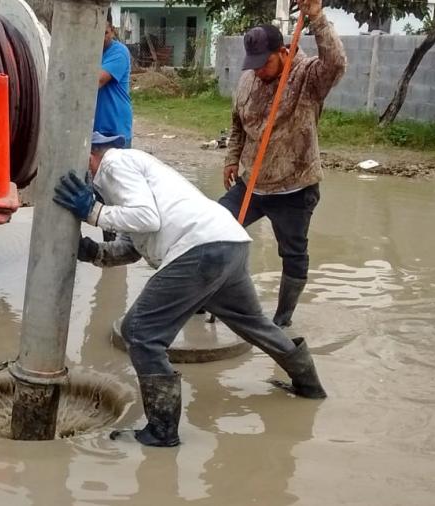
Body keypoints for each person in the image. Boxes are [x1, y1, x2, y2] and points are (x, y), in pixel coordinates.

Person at [52, 132, 327, 447]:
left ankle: (162, 431)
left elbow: (146, 218)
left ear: (90, 156)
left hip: (198, 247)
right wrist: (90, 250)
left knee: (140, 331)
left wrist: (92, 212)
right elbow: (134, 245)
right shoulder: (138, 174)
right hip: (228, 242)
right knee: (252, 323)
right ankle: (309, 385)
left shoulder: (114, 165)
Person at [220, 0, 345, 327]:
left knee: (293, 254)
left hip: (294, 187)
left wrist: (317, 18)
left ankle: (282, 320)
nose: (259, 70)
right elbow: (237, 123)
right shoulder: (249, 78)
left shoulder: (307, 76)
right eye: (254, 63)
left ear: (283, 53)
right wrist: (232, 159)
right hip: (252, 183)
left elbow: (336, 63)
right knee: (215, 228)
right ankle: (210, 296)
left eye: (265, 63)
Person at [94, 11, 133, 147]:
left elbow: (97, 81)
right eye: (97, 32)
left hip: (115, 129)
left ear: (112, 31)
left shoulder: (119, 52)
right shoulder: (91, 52)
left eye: (105, 33)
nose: (101, 38)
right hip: (95, 130)